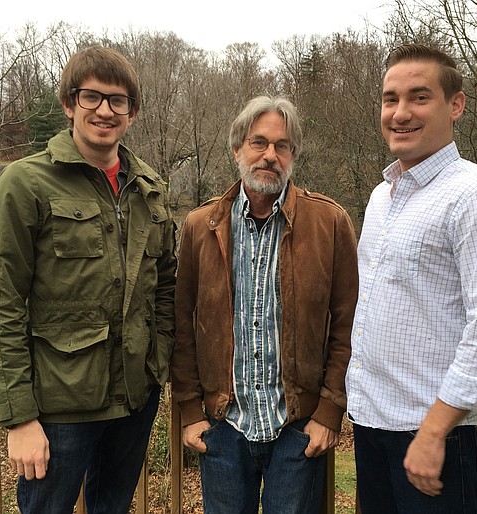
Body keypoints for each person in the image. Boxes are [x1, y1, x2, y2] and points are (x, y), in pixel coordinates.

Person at [0, 45, 176, 514]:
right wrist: (19, 419)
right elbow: (3, 304)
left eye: (119, 100)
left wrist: (157, 364)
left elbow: (165, 287)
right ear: (69, 104)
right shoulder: (25, 183)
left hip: (134, 402)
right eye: (92, 97)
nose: (105, 110)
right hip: (57, 412)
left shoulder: (150, 189)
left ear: (132, 112)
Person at [346, 43, 477, 513]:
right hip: (373, 425)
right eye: (391, 99)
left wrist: (432, 432)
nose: (400, 112)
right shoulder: (381, 198)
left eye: (419, 97)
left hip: (438, 435)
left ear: (456, 104)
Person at [170, 95, 358, 514]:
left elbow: (348, 325)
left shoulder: (329, 223)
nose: (270, 155)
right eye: (259, 142)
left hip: (297, 429)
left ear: (293, 156)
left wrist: (329, 411)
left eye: (282, 146)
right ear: (237, 150)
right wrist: (189, 410)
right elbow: (181, 322)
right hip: (223, 426)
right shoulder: (203, 226)